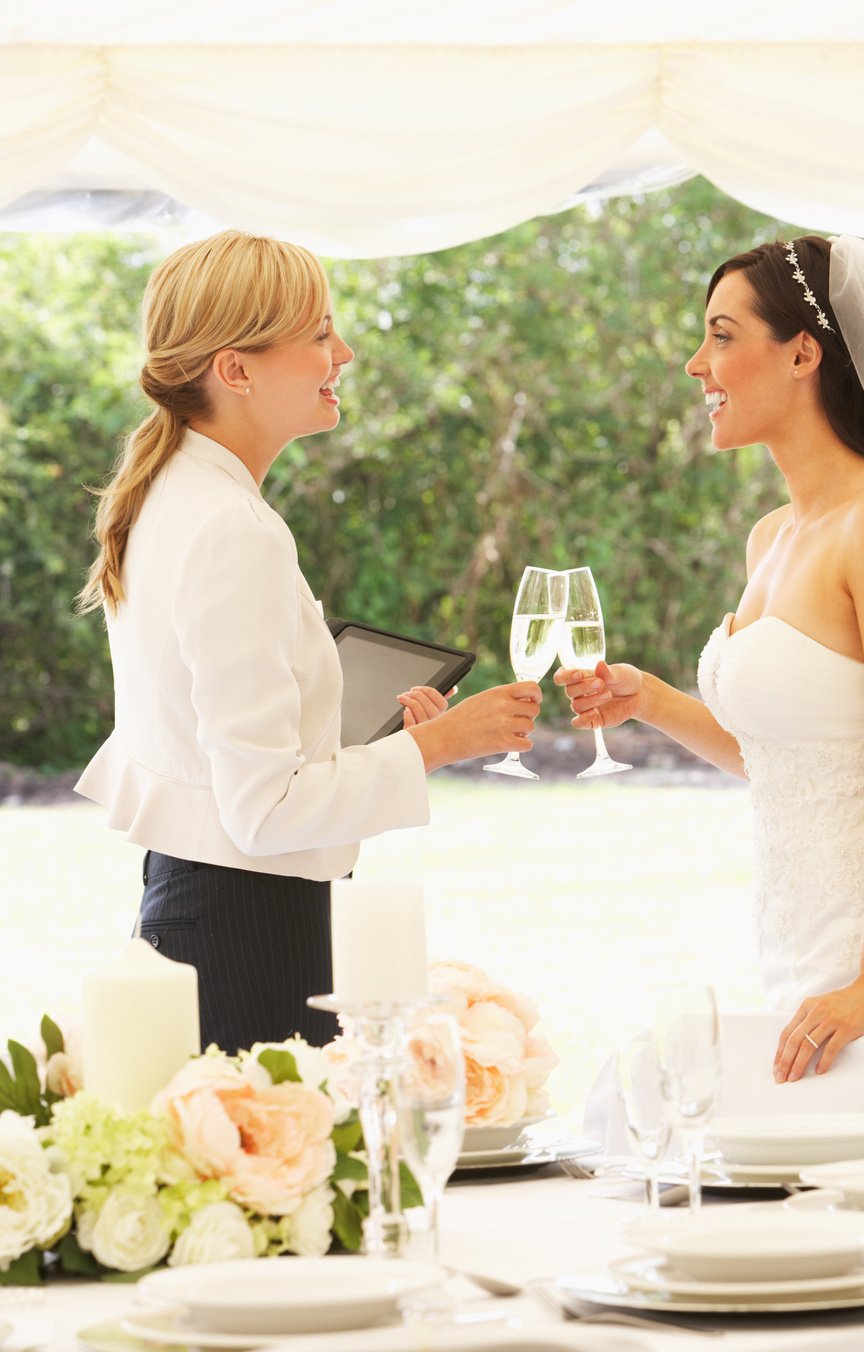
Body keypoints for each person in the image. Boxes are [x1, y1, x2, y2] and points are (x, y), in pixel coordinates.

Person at [557, 234, 864, 1152]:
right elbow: (782, 757)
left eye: (720, 335)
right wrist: (648, 698)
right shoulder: (772, 535)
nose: (696, 363)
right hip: (793, 936)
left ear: (803, 353)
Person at [76, 229, 541, 1053]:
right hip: (248, 935)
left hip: (207, 908)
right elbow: (264, 810)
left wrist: (351, 739)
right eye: (320, 334)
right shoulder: (231, 528)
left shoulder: (173, 495)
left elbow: (205, 754)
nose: (346, 353)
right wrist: (436, 746)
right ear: (236, 369)